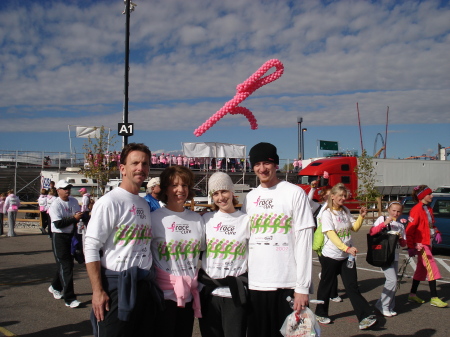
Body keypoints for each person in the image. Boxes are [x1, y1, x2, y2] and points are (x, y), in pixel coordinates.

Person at [84, 143, 161, 337]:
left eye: (145, 164)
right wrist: (97, 291)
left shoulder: (143, 203)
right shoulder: (109, 202)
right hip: (117, 287)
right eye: (134, 163)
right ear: (122, 168)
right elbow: (92, 246)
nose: (140, 168)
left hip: (143, 285)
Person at [242, 142, 315, 337]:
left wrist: (302, 288)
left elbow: (304, 242)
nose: (262, 168)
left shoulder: (294, 193)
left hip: (286, 284)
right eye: (257, 164)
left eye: (267, 163)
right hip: (256, 284)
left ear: (276, 165)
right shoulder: (250, 198)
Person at [151, 165, 205, 337]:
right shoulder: (155, 218)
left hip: (188, 294)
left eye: (185, 185)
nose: (180, 190)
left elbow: (202, 251)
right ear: (165, 189)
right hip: (163, 296)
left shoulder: (197, 219)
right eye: (174, 185)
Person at [314, 183, 377, 330]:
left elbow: (354, 228)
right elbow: (331, 235)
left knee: (352, 286)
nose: (344, 198)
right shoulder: (327, 213)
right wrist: (346, 248)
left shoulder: (345, 210)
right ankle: (321, 313)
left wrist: (361, 217)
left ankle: (364, 317)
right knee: (326, 286)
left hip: (346, 256)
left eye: (345, 195)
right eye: (341, 195)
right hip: (331, 255)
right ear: (333, 196)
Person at [199, 172, 250, 337]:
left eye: (224, 191)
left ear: (232, 191)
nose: (221, 197)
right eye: (215, 193)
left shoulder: (246, 220)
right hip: (210, 294)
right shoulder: (206, 220)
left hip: (235, 294)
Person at [406, 185, 448, 308]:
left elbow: (431, 225)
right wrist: (410, 246)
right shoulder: (416, 210)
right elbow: (409, 230)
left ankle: (412, 294)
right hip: (421, 245)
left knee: (421, 269)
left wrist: (437, 232)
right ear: (422, 196)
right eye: (429, 194)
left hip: (427, 243)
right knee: (432, 268)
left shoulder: (428, 209)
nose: (432, 196)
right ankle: (434, 297)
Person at [48, 180, 83, 308]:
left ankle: (54, 286)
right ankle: (70, 298)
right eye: (64, 188)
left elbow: (78, 216)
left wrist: (81, 218)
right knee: (66, 266)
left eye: (68, 188)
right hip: (59, 237)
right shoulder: (55, 204)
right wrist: (74, 219)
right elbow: (58, 224)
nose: (67, 190)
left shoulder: (73, 201)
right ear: (58, 191)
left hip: (72, 235)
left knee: (66, 265)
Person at [370, 201, 407, 317]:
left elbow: (404, 244)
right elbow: (372, 232)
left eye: (398, 211)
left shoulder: (400, 225)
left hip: (394, 255)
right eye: (393, 210)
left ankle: (387, 305)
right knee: (392, 280)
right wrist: (384, 223)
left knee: (394, 282)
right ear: (389, 210)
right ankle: (384, 306)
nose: (396, 213)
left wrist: (400, 238)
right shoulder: (382, 218)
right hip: (383, 254)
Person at [309, 182, 342, 303]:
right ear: (323, 197)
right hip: (321, 241)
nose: (331, 197)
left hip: (335, 241)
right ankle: (333, 294)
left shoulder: (338, 209)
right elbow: (308, 201)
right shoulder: (318, 207)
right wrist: (313, 188)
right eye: (328, 195)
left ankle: (325, 277)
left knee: (332, 269)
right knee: (330, 268)